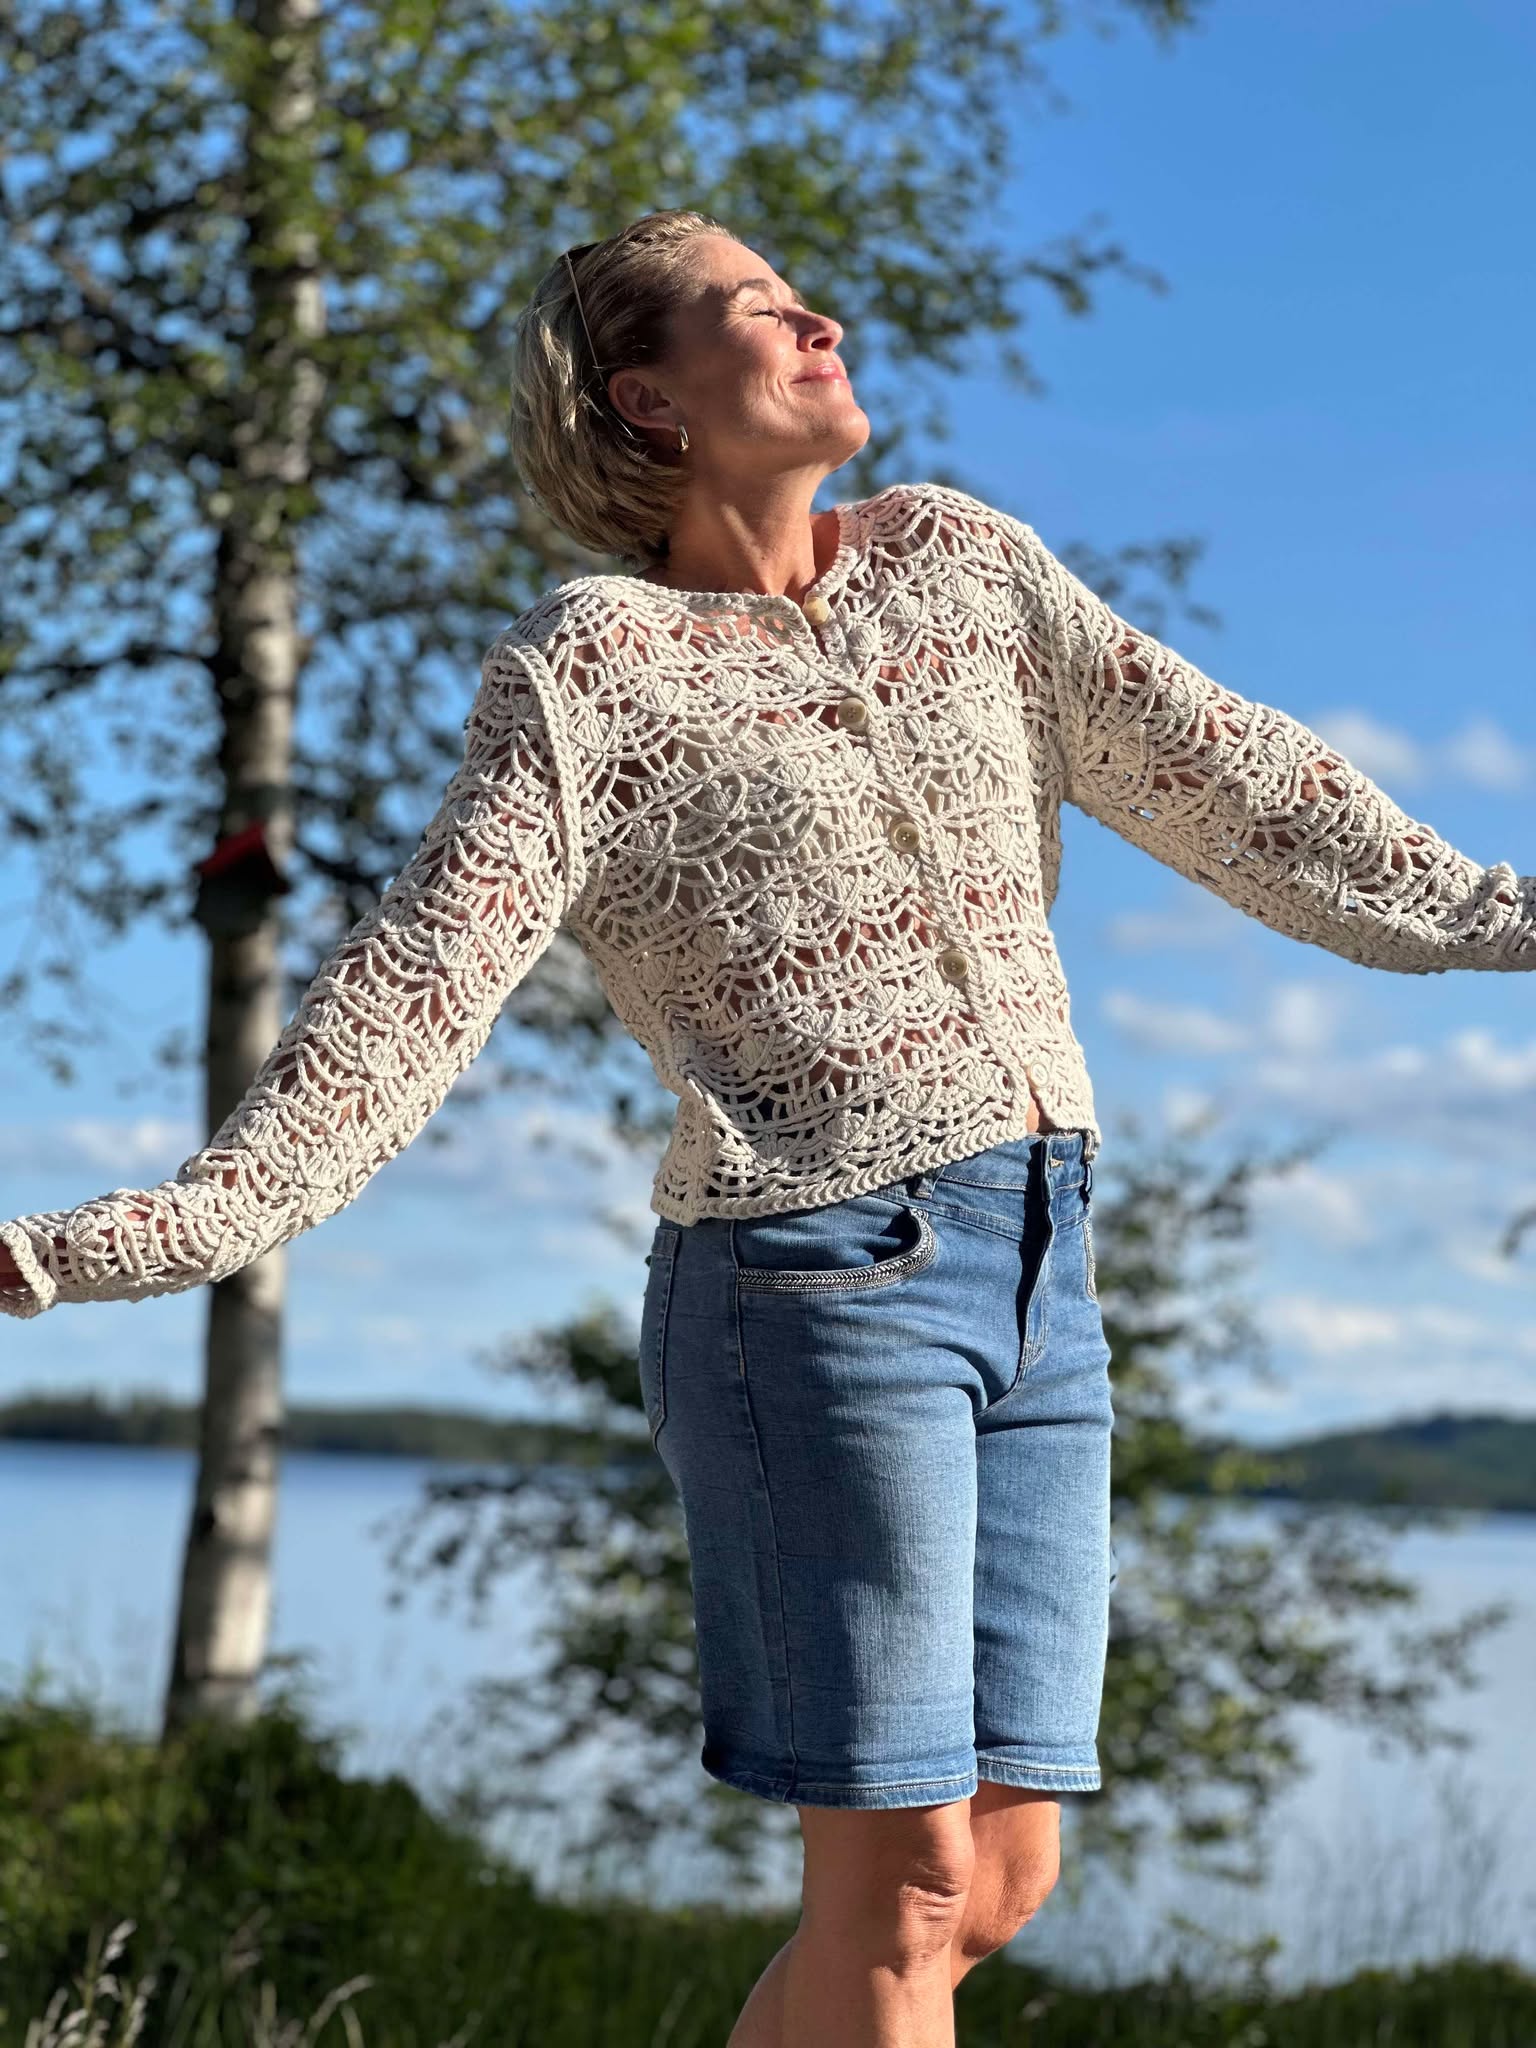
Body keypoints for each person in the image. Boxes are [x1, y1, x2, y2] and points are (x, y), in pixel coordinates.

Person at [3, 208, 1533, 2046]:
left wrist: (1507, 917)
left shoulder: (965, 566)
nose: (822, 324)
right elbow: (408, 993)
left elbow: (1244, 783)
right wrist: (111, 1242)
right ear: (647, 398)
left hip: (1046, 1265)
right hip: (816, 1285)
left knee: (997, 1880)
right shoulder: (591, 672)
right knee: (897, 1896)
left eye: (809, 301)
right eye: (760, 309)